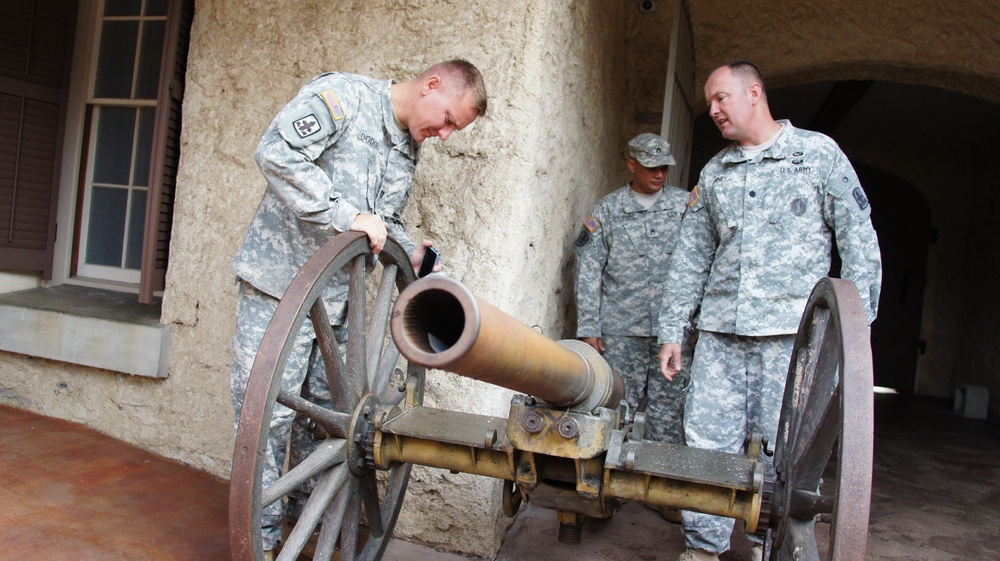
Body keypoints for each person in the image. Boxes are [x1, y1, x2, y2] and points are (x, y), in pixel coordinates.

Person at [230, 60, 487, 557]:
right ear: (432, 85)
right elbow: (277, 153)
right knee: (264, 421)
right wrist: (346, 215)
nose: (447, 135)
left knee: (325, 422)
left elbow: (383, 220)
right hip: (280, 286)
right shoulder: (343, 99)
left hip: (337, 303)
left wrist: (409, 248)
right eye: (451, 119)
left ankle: (307, 537)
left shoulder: (407, 146)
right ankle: (259, 547)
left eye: (456, 128)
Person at [657, 61, 881, 561]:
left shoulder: (817, 156)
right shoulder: (715, 172)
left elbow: (859, 240)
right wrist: (672, 330)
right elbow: (691, 257)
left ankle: (768, 546)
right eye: (709, 102)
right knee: (707, 448)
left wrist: (855, 333)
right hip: (720, 338)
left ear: (754, 92)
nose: (712, 110)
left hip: (793, 340)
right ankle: (702, 550)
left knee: (788, 457)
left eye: (721, 98)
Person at [574, 133, 690, 444]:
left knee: (669, 410)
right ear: (631, 165)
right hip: (622, 330)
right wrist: (589, 327)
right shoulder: (607, 211)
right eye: (651, 167)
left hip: (672, 333)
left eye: (664, 167)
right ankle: (611, 481)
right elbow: (589, 272)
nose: (659, 174)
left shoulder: (685, 207)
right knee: (616, 407)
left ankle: (660, 478)